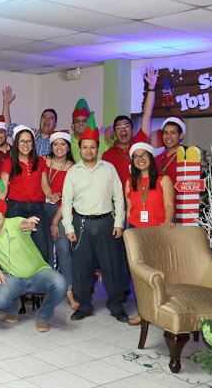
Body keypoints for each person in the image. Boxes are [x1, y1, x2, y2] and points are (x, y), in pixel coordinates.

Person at [0, 178, 66, 332]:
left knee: (60, 284)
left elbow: (23, 225)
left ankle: (43, 315)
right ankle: (14, 307)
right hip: (13, 278)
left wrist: (28, 224)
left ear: (3, 213)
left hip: (39, 273)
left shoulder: (14, 222)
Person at [61, 125, 129, 323]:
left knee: (111, 266)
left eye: (92, 147)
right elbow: (66, 202)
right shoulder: (73, 172)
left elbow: (119, 197)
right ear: (79, 149)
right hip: (80, 222)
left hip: (106, 222)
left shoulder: (109, 169)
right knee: (81, 268)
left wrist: (119, 222)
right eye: (85, 147)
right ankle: (83, 305)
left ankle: (116, 305)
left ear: (97, 148)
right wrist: (69, 228)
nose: (88, 151)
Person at [125, 142, 176, 326]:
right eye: (136, 156)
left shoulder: (163, 179)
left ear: (151, 158)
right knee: (139, 275)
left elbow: (169, 205)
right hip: (136, 232)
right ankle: (143, 312)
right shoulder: (129, 182)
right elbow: (129, 209)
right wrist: (126, 231)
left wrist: (167, 222)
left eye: (144, 155)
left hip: (158, 232)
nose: (140, 159)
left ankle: (164, 311)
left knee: (161, 273)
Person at [0, 126, 53, 265]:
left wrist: (51, 196)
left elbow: (45, 186)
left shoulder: (40, 161)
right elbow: (3, 190)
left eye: (29, 141)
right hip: (15, 209)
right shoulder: (8, 163)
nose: (25, 144)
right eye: (22, 141)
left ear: (33, 144)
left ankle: (42, 282)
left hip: (37, 209)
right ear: (16, 143)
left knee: (43, 250)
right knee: (17, 250)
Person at [102, 66, 158, 190]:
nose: (123, 130)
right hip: (120, 202)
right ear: (115, 132)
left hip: (142, 196)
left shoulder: (140, 143)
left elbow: (147, 116)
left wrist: (151, 87)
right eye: (118, 127)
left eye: (127, 126)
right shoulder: (108, 155)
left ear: (132, 130)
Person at [43, 132, 78, 310]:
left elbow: (68, 199)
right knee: (46, 251)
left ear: (68, 147)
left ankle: (69, 290)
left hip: (62, 213)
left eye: (62, 144)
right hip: (42, 210)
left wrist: (55, 222)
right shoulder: (43, 161)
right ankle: (50, 287)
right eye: (55, 144)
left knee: (64, 251)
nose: (59, 148)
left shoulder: (73, 168)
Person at [155, 117, 187, 191]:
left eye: (173, 133)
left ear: (181, 135)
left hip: (180, 201)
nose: (168, 137)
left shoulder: (188, 157)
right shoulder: (156, 159)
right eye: (165, 133)